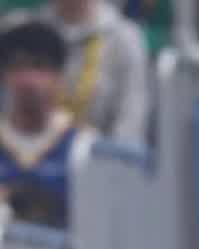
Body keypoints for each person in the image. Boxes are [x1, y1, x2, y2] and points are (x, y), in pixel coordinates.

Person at [0, 17, 87, 229]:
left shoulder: (83, 146)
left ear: (59, 76)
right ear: (4, 75)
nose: (28, 80)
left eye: (40, 66)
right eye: (18, 66)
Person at [43, 0, 150, 144]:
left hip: (104, 151)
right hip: (38, 150)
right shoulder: (30, 31)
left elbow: (131, 117)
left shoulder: (125, 38)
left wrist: (110, 153)